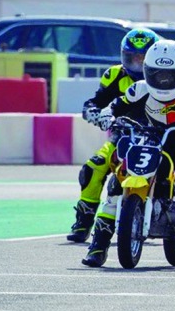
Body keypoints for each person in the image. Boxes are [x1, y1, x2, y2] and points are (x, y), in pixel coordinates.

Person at [81, 40, 175, 269]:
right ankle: (98, 247)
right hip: (149, 139)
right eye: (157, 74)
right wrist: (106, 116)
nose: (164, 80)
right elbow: (115, 106)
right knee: (117, 180)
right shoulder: (139, 89)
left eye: (170, 75)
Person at [68, 27, 160, 242]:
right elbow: (94, 103)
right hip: (123, 135)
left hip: (160, 136)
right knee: (93, 166)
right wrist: (94, 114)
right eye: (132, 57)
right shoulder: (115, 74)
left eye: (142, 58)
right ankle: (84, 221)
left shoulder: (165, 76)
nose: (137, 63)